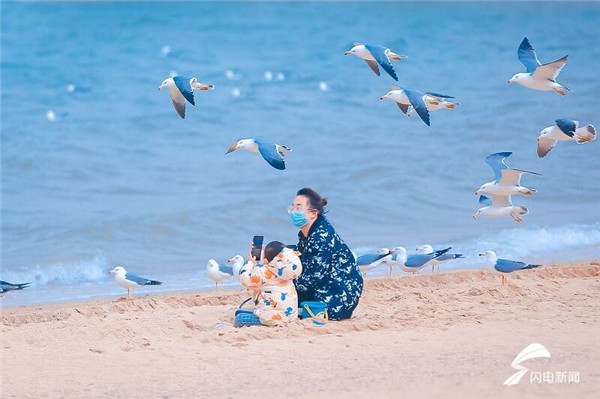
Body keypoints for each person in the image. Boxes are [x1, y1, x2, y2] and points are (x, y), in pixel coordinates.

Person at [288, 188, 363, 320]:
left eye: (298, 208)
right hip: (328, 288)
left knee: (283, 296)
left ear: (313, 213)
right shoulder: (310, 233)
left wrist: (281, 280)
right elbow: (303, 255)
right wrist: (274, 251)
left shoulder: (320, 237)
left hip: (338, 298)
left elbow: (311, 279)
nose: (294, 212)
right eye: (292, 207)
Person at [234, 241, 303, 327]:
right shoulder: (286, 270)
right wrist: (261, 252)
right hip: (290, 317)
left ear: (266, 260)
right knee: (240, 312)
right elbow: (273, 259)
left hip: (273, 318)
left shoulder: (263, 272)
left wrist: (249, 262)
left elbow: (245, 279)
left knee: (239, 318)